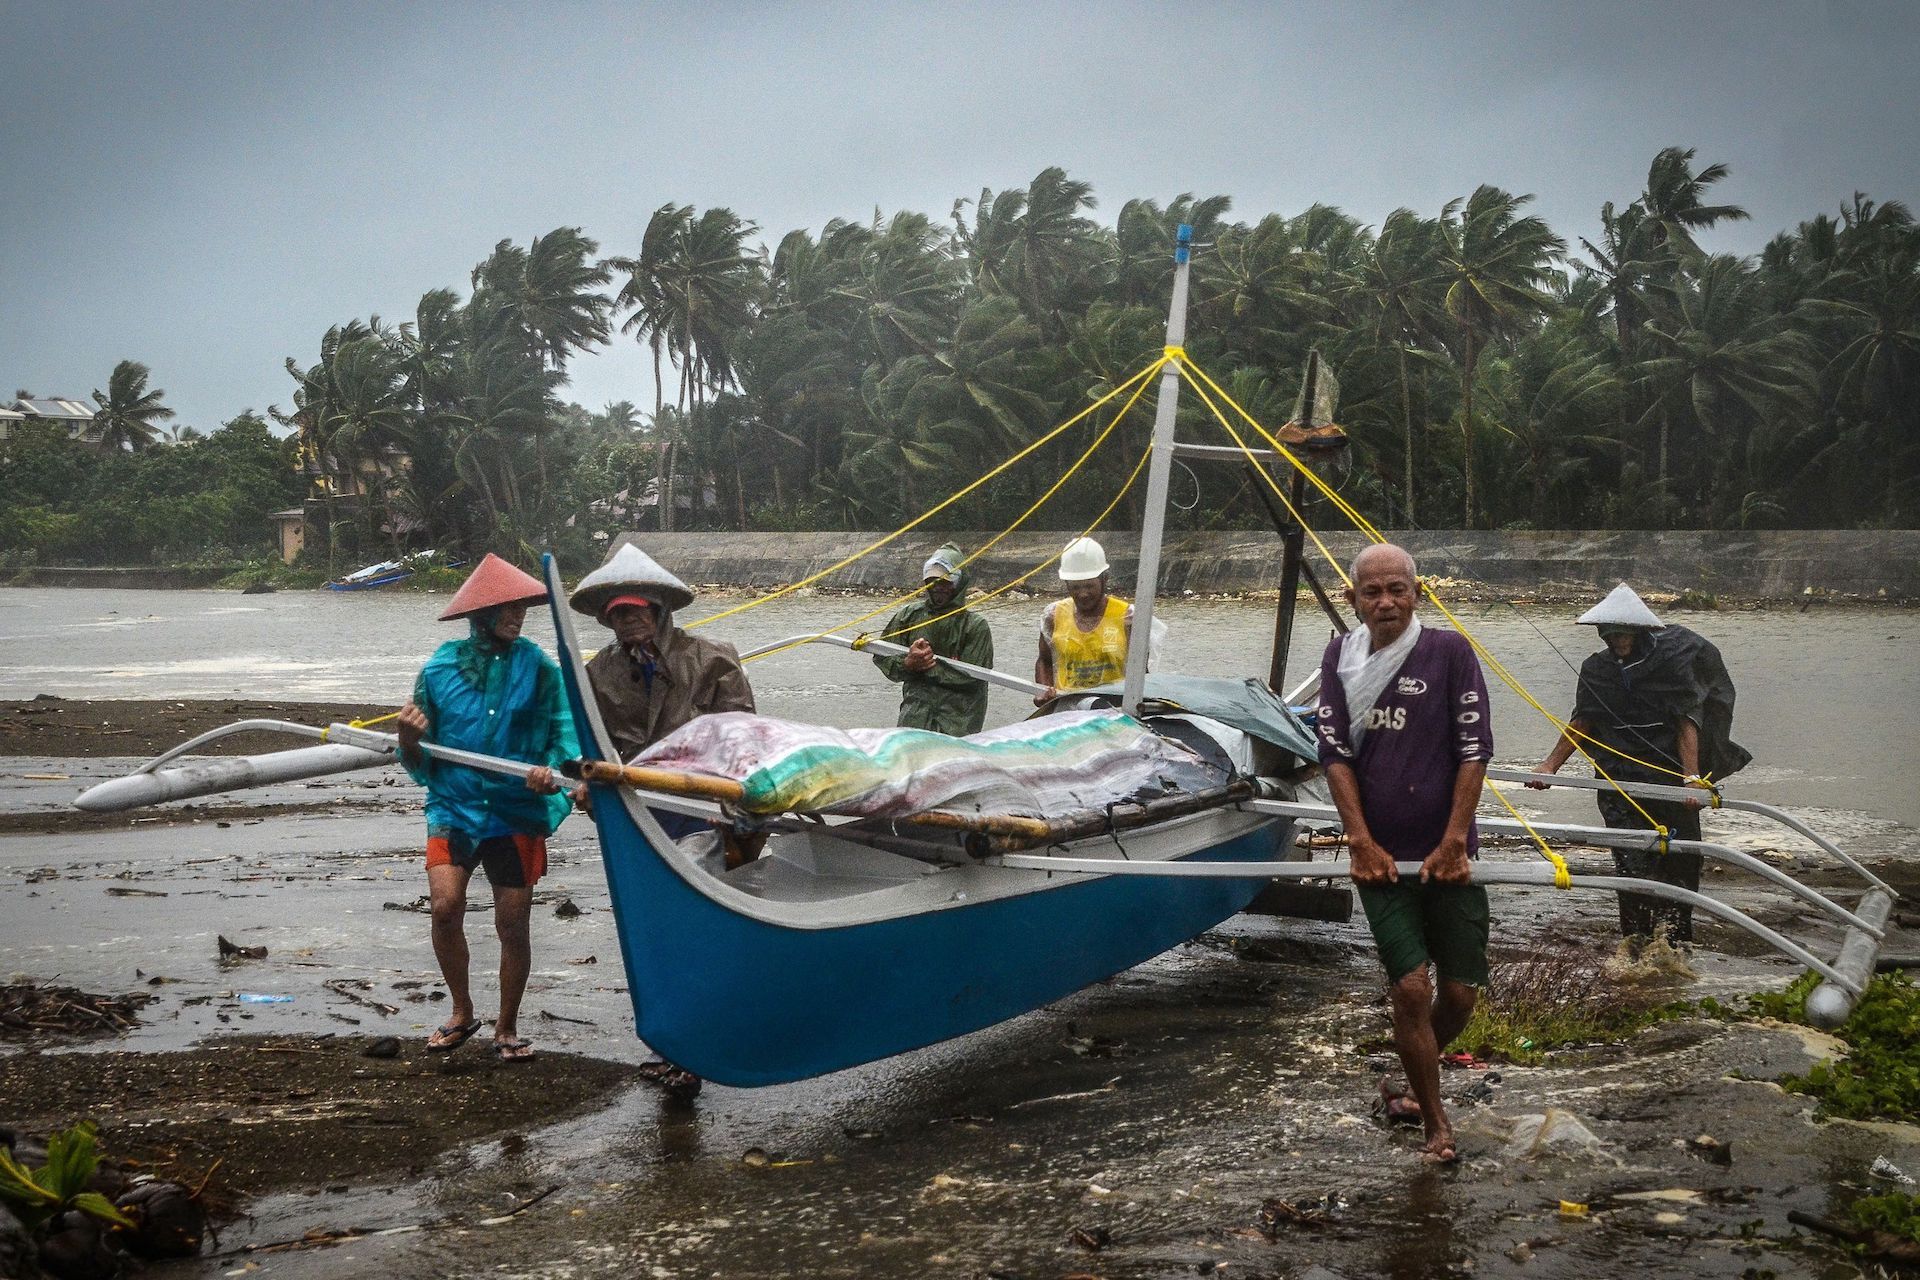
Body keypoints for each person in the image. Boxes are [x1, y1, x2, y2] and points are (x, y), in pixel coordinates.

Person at [1316, 543, 1493, 1164]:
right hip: (1381, 858)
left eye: (1397, 590)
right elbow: (1334, 754)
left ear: (1417, 593)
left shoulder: (1450, 653)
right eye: (1372, 593)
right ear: (1353, 600)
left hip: (1450, 853)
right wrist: (1359, 842)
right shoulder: (1340, 656)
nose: (1386, 602)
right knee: (1412, 990)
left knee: (1461, 995)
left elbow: (1475, 751)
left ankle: (1416, 1071)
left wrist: (1453, 840)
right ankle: (1435, 1123)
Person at [396, 554, 578, 1064]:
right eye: (506, 607)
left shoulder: (541, 669)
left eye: (521, 606)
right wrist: (407, 739)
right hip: (453, 805)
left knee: (513, 921)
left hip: (515, 809)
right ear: (481, 614)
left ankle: (507, 1025)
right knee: (445, 906)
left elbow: (564, 738)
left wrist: (551, 773)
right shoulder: (439, 669)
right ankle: (461, 1010)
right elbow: (417, 755)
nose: (517, 614)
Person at [1528, 583, 1750, 948]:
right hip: (1619, 780)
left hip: (1666, 776)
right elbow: (1583, 720)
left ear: (1641, 632)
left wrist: (1691, 779)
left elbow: (1686, 722)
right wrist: (1550, 766)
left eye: (1624, 633)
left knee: (1681, 861)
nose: (1617, 640)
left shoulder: (1670, 664)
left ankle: (1677, 945)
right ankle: (1636, 943)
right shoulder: (1597, 669)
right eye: (1610, 633)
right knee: (1631, 864)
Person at [872, 543, 994, 736]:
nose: (938, 588)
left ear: (960, 583)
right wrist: (907, 663)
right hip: (915, 716)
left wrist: (925, 666)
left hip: (959, 722)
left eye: (946, 582)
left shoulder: (975, 626)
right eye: (933, 581)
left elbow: (973, 677)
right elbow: (882, 656)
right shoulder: (909, 616)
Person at [1033, 536, 1148, 703]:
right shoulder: (1053, 616)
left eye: (1089, 585)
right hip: (1068, 709)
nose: (1083, 594)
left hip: (1114, 709)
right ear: (1066, 584)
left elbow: (1143, 674)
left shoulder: (1127, 618)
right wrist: (1043, 691)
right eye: (1075, 587)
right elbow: (1044, 660)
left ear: (1104, 579)